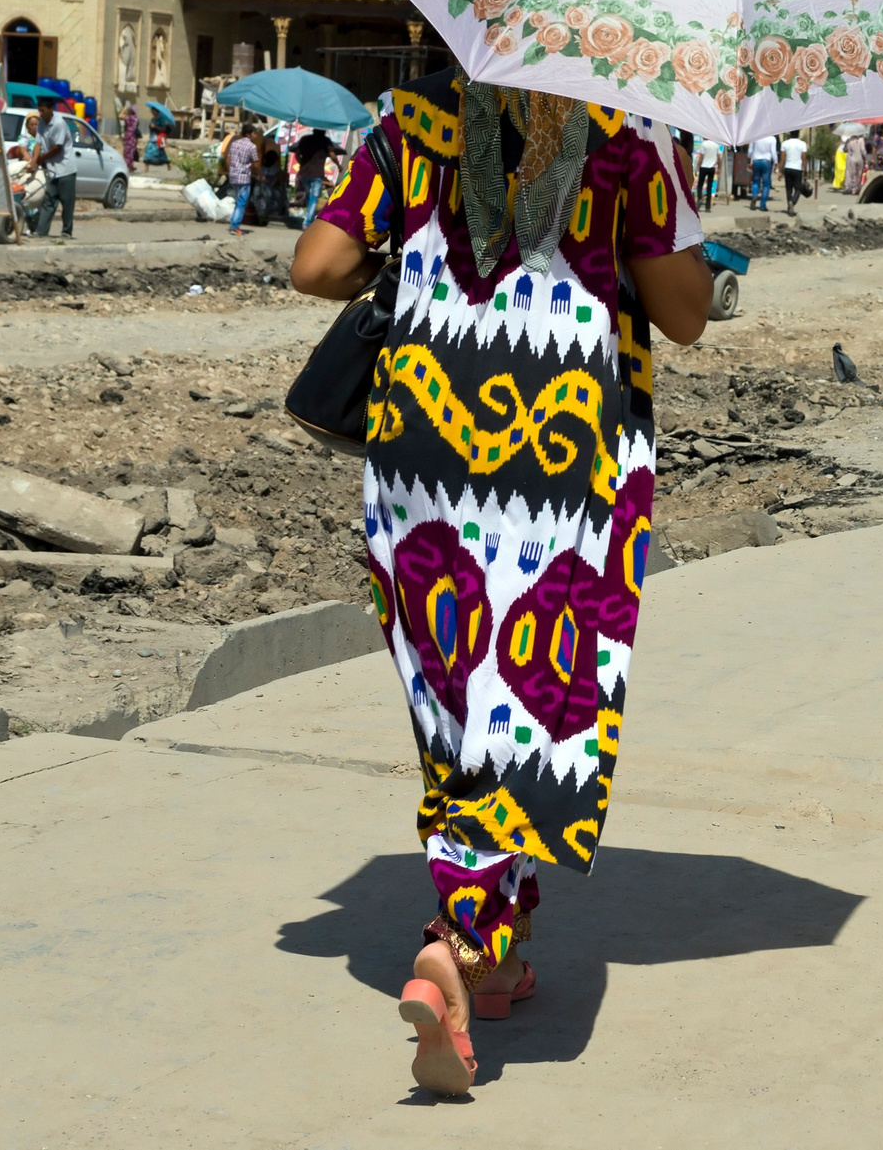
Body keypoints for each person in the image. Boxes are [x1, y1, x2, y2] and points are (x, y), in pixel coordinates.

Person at [288, 74, 710, 1097]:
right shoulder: (630, 135)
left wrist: (420, 244)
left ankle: (501, 947)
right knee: (535, 697)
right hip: (565, 455)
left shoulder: (413, 121)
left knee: (459, 699)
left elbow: (318, 266)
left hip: (423, 441)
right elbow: (685, 314)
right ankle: (458, 942)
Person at [25, 102, 81, 238]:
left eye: (43, 110)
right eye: (39, 111)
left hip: (65, 169)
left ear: (51, 109)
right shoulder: (41, 125)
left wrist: (42, 159)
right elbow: (38, 145)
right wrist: (33, 163)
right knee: (48, 201)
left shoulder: (59, 124)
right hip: (51, 169)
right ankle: (41, 231)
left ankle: (67, 231)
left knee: (67, 202)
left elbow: (57, 148)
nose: (41, 114)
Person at [293, 124, 341, 227]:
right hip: (317, 174)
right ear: (324, 132)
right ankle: (307, 222)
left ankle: (308, 218)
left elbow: (297, 154)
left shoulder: (305, 139)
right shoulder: (325, 141)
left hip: (304, 173)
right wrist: (338, 165)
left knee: (309, 196)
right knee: (314, 197)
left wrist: (302, 163)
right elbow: (332, 155)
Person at [221, 123, 258, 235]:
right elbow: (255, 163)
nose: (256, 135)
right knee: (241, 202)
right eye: (254, 133)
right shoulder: (252, 147)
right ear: (249, 134)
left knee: (237, 201)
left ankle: (233, 222)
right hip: (244, 177)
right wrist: (259, 174)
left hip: (233, 176)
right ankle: (235, 225)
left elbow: (228, 159)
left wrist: (229, 171)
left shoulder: (234, 144)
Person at [777, 128, 806, 211]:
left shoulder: (785, 143)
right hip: (797, 169)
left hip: (788, 168)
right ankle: (792, 202)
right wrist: (806, 172)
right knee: (798, 189)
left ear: (790, 133)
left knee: (788, 189)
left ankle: (789, 203)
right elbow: (804, 159)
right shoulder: (802, 144)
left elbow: (782, 159)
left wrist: (780, 171)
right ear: (798, 133)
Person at [748, 131, 775, 210]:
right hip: (766, 161)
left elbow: (750, 151)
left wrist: (750, 159)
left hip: (756, 161)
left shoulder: (755, 136)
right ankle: (762, 205)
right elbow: (773, 153)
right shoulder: (772, 138)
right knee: (766, 184)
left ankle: (754, 196)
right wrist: (776, 162)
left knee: (756, 181)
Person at [692, 133, 719, 210]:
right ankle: (708, 207)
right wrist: (718, 167)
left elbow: (701, 157)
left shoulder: (704, 144)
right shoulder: (716, 145)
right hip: (712, 168)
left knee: (700, 185)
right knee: (709, 187)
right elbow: (719, 157)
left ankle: (700, 198)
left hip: (703, 167)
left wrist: (697, 167)